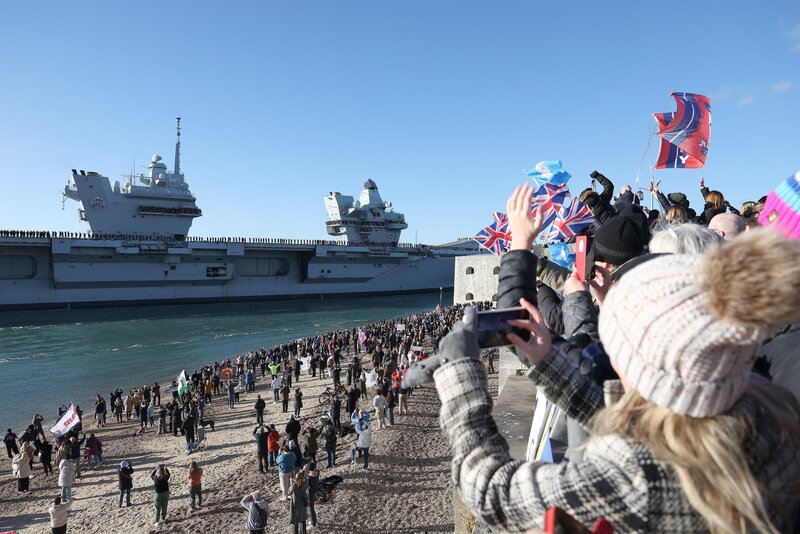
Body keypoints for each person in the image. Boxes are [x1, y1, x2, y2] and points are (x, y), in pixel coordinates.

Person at [404, 187, 800, 532]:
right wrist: (548, 364)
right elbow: (645, 414)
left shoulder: (633, 475)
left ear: (637, 364)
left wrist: (461, 377)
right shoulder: (766, 410)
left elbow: (488, 489)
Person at [306, 462, 319, 529]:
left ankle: (313, 523)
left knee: (311, 509)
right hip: (315, 492)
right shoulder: (317, 473)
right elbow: (317, 470)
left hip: (310, 494)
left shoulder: (308, 478)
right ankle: (315, 520)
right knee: (312, 508)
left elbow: (307, 487)